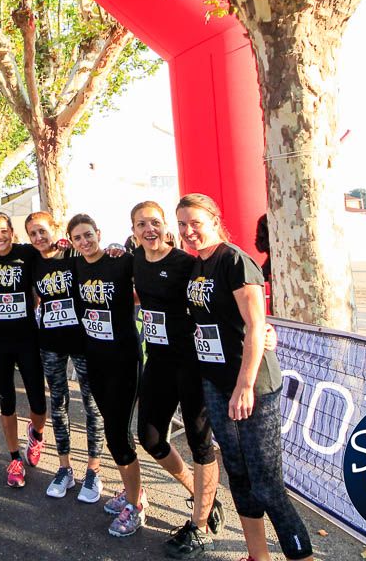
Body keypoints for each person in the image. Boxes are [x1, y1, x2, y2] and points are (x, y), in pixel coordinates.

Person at [177, 193, 313, 561]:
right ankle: (258, 556)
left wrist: (245, 385)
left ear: (215, 221)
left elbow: (256, 326)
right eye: (183, 225)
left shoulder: (235, 261)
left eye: (196, 223)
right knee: (238, 475)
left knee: (268, 484)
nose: (189, 232)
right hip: (216, 382)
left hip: (253, 386)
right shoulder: (197, 266)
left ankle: (303, 557)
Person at [130, 201, 224, 557]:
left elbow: (220, 295)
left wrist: (262, 328)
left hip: (192, 362)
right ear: (134, 230)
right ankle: (201, 495)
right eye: (141, 224)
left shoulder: (185, 263)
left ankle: (199, 526)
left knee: (201, 443)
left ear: (165, 225)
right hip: (158, 360)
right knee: (150, 438)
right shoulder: (135, 260)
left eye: (155, 222)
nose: (149, 229)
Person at [67, 213, 146, 538]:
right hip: (95, 360)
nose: (85, 242)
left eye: (88, 235)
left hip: (124, 360)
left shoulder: (121, 261)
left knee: (118, 435)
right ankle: (132, 492)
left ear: (99, 233)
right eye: (78, 238)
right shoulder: (75, 267)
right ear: (72, 243)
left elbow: (147, 284)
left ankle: (137, 505)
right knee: (113, 432)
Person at [26, 211, 105, 502]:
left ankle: (94, 470)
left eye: (42, 231)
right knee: (57, 405)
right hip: (50, 343)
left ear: (54, 230)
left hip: (83, 341)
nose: (38, 238)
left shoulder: (72, 253)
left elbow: (100, 259)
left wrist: (117, 248)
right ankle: (64, 467)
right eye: (32, 233)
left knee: (91, 405)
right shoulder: (32, 261)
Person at [0, 212, 48, 488]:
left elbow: (51, 253)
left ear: (12, 232)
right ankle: (15, 458)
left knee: (38, 401)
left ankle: (37, 434)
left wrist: (65, 244)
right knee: (7, 400)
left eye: (4, 230)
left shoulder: (27, 253)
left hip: (27, 337)